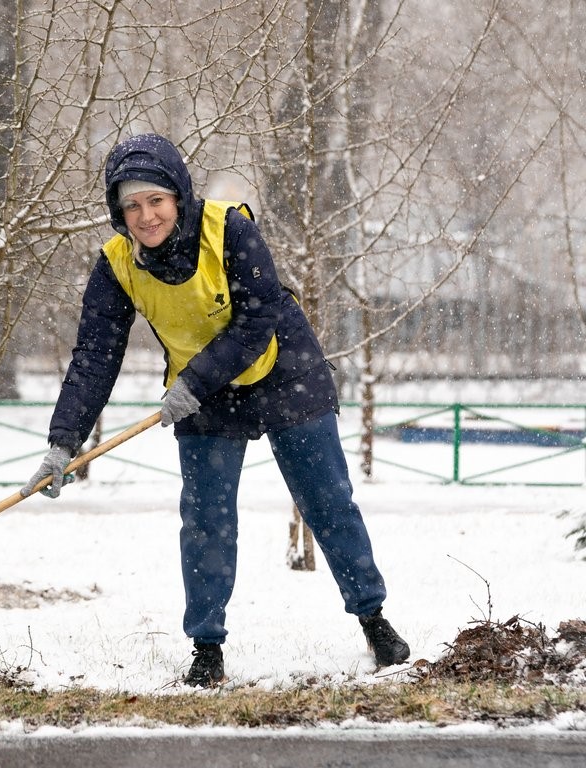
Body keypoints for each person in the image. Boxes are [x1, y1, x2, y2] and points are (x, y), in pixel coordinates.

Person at [21, 133, 410, 687]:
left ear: (178, 195)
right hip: (203, 396)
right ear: (118, 212)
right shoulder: (116, 265)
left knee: (326, 500)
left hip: (283, 371)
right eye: (131, 205)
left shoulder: (230, 229)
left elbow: (258, 318)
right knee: (205, 520)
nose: (146, 215)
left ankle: (373, 619)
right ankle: (207, 648)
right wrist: (64, 442)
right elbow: (93, 358)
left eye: (156, 199)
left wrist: (195, 380)